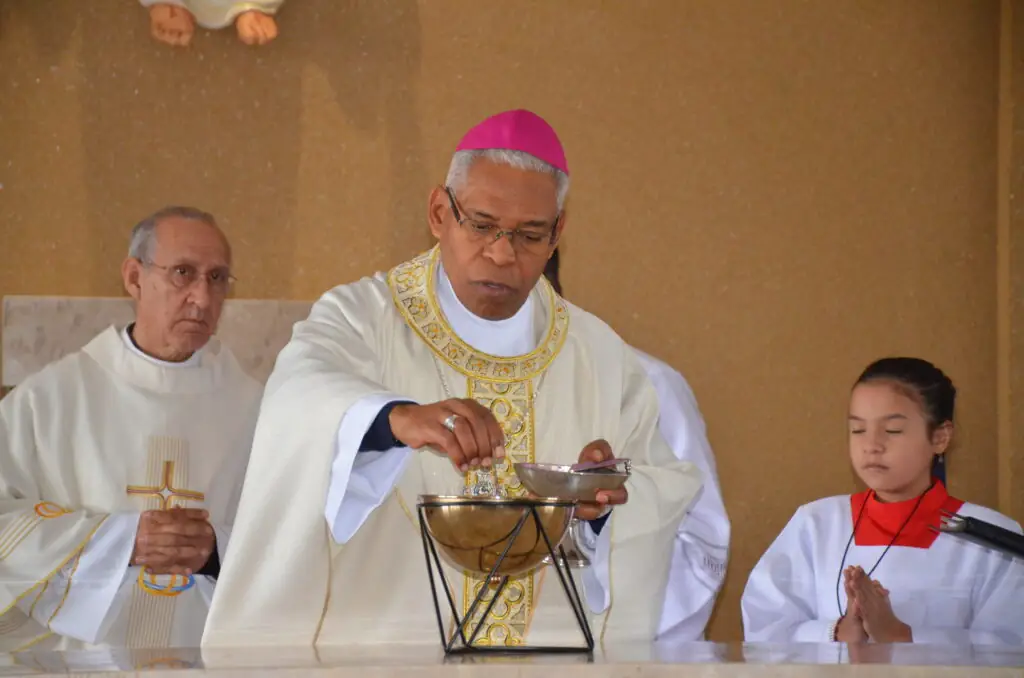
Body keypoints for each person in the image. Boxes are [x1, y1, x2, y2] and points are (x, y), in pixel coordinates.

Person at [203, 109, 704, 649]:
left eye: (530, 234)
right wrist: (392, 419)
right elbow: (300, 394)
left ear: (558, 232)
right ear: (439, 211)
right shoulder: (362, 317)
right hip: (387, 659)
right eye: (482, 225)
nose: (502, 253)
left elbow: (661, 485)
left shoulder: (600, 356)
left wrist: (603, 507)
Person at [0, 206, 263, 652]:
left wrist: (216, 548)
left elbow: (294, 534)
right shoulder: (49, 399)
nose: (202, 297)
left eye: (217, 278)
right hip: (77, 659)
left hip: (205, 656)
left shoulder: (257, 408)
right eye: (184, 272)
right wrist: (120, 542)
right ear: (134, 278)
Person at [740, 357, 1024, 645]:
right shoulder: (816, 523)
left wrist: (901, 636)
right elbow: (765, 627)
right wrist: (840, 632)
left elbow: (1012, 646)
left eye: (892, 431)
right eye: (858, 430)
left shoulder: (992, 538)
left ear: (940, 437)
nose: (872, 445)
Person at [543, 248, 729, 641]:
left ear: (552, 289)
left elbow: (701, 543)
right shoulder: (441, 394)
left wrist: (607, 519)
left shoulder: (646, 383)